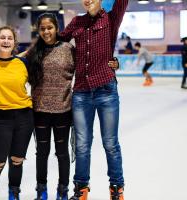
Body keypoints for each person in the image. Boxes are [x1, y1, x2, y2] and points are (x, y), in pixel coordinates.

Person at [59, 0, 128, 199]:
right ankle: (81, 190)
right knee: (82, 144)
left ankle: (116, 188)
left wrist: (115, 63)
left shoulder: (111, 19)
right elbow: (56, 42)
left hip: (106, 89)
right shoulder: (77, 22)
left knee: (110, 142)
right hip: (81, 92)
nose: (87, 0)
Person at [25, 13, 75, 200]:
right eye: (43, 28)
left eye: (50, 28)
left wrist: (113, 63)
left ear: (56, 28)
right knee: (42, 153)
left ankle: (63, 190)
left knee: (62, 153)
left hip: (63, 111)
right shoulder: (33, 52)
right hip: (40, 111)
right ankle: (42, 190)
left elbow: (87, 67)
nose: (46, 31)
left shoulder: (68, 49)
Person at [0, 26, 34, 200]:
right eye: (2, 38)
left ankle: (14, 192)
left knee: (17, 160)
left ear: (14, 43)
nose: (6, 41)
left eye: (9, 38)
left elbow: (38, 83)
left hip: (24, 117)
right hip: (0, 119)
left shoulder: (22, 63)